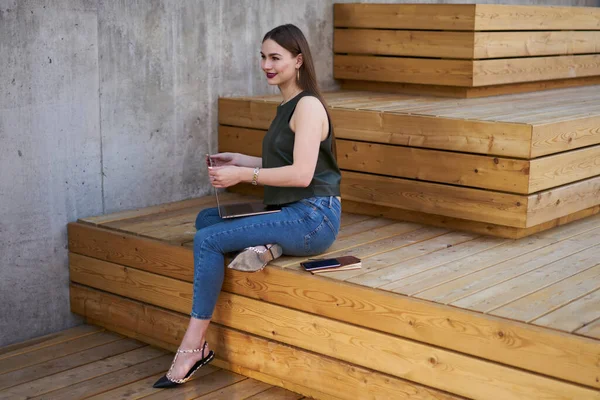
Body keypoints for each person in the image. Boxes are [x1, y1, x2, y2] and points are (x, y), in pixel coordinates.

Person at [153, 23, 342, 388]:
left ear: (298, 60)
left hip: (313, 217)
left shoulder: (308, 106)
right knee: (206, 218)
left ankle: (193, 348)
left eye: (275, 57)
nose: (266, 65)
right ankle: (268, 246)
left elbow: (302, 175)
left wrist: (242, 175)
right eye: (263, 57)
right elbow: (283, 161)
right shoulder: (287, 104)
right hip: (291, 211)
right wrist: (239, 159)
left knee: (208, 240)